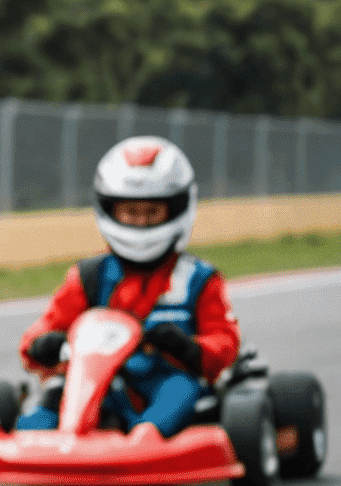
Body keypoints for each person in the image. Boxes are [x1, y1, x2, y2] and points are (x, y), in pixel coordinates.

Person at [15, 137, 240, 435]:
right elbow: (37, 336)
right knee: (57, 395)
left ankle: (146, 436)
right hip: (96, 381)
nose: (140, 222)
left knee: (179, 390)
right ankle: (34, 437)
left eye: (151, 213)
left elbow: (224, 343)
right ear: (111, 210)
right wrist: (44, 344)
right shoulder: (90, 276)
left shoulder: (198, 279)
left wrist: (185, 346)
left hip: (166, 378)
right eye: (131, 212)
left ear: (175, 210)